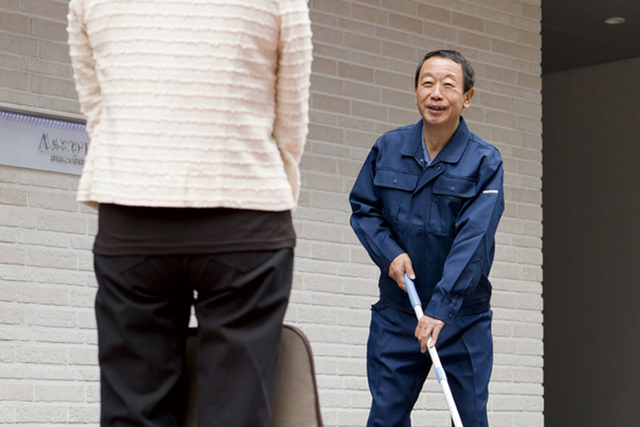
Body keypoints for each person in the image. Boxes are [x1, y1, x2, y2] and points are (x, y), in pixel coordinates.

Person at [66, 1, 312, 426]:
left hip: (131, 219)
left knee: (132, 412)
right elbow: (291, 113)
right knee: (237, 413)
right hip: (246, 219)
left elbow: (97, 109)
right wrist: (270, 180)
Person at [349, 50, 504, 427]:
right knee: (385, 419)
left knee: (466, 419)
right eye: (427, 83)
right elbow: (364, 209)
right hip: (399, 314)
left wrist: (442, 308)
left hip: (461, 318)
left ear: (467, 97)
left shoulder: (484, 161)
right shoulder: (388, 148)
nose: (436, 93)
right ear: (416, 91)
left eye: (449, 85)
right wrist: (390, 255)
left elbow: (475, 239)